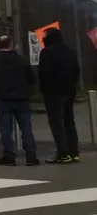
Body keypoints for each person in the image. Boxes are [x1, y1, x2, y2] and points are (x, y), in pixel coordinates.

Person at [0, 35, 38, 166]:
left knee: (6, 129)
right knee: (26, 128)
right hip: (22, 98)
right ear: (11, 44)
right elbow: (32, 79)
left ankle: (9, 156)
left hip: (4, 98)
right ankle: (31, 155)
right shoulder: (21, 60)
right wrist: (28, 92)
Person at [38, 28, 81, 164]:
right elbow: (76, 71)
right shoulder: (70, 52)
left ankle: (63, 153)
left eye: (44, 37)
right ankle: (73, 152)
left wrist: (44, 90)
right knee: (69, 121)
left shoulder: (47, 53)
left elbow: (44, 74)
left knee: (57, 123)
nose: (43, 40)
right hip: (69, 91)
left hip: (53, 93)